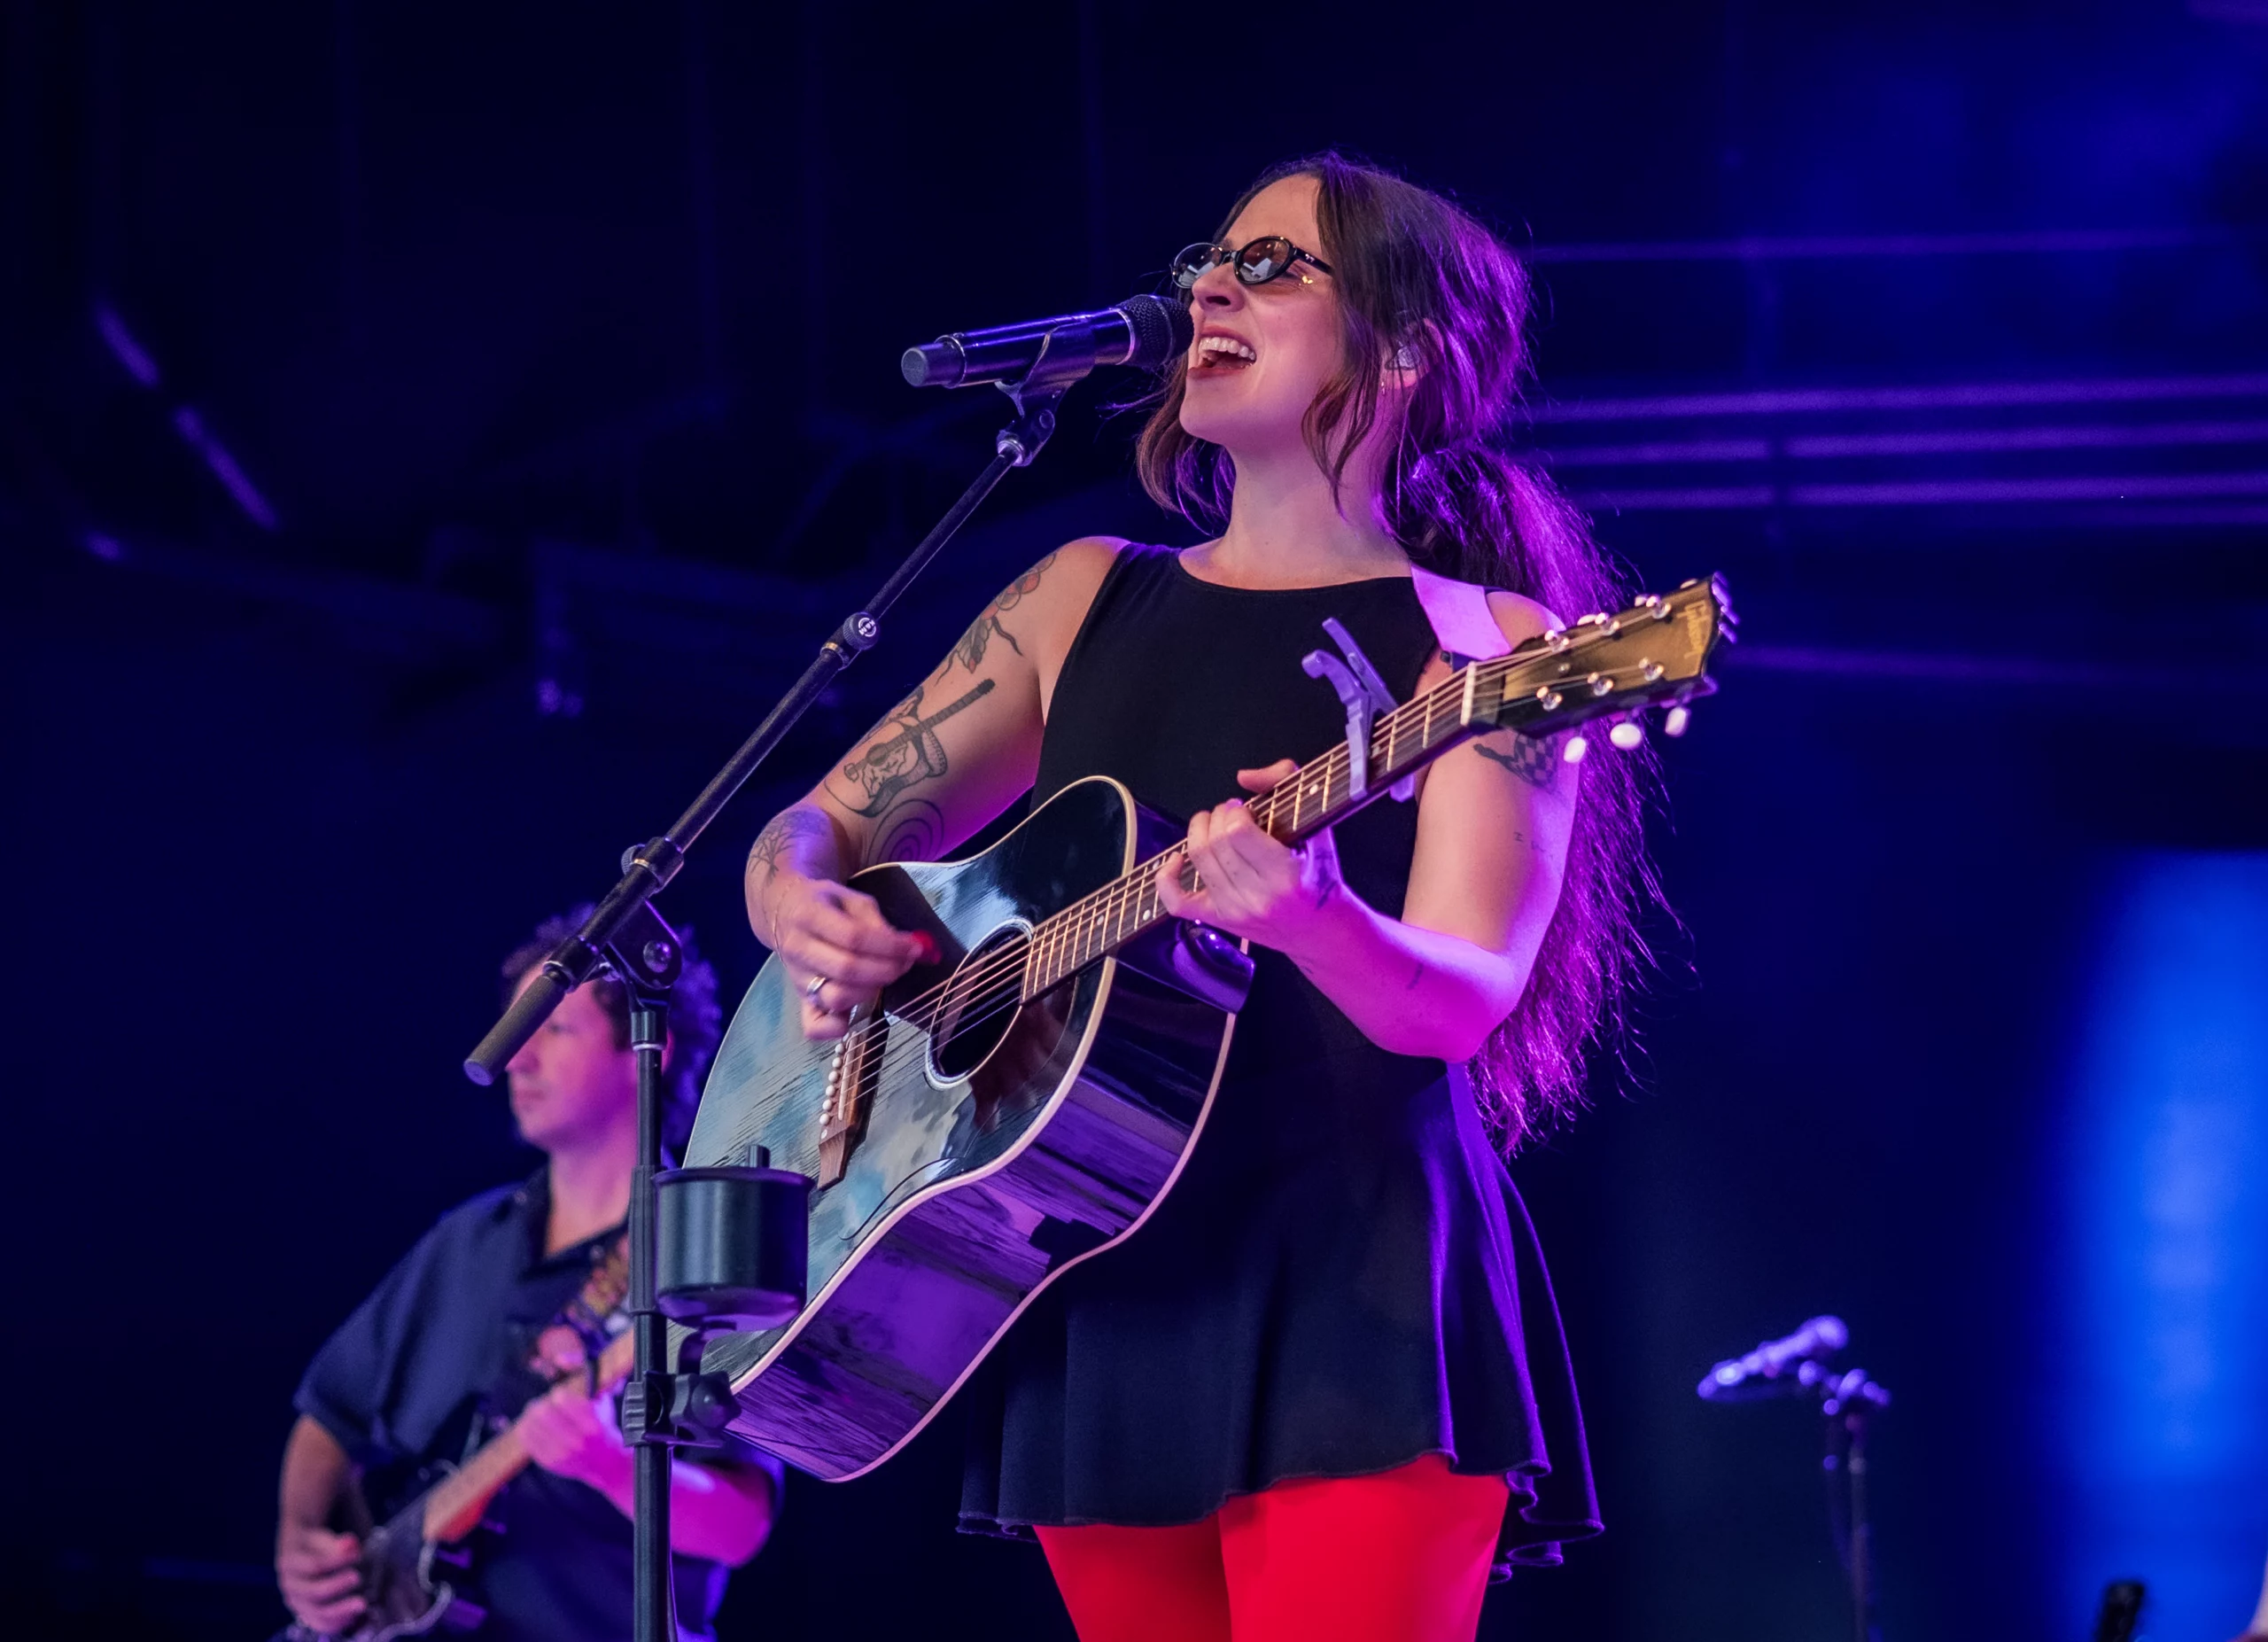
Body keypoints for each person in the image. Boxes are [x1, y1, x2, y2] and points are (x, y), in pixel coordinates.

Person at [743, 152, 1657, 1642]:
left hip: (1352, 1272)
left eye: (1275, 266)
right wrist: (799, 902)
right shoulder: (1078, 592)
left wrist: (1315, 920)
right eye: (1207, 262)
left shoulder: (1489, 643)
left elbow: (1463, 998)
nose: (1210, 288)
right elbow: (817, 825)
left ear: (1408, 351)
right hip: (1094, 1263)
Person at [274, 912, 780, 1642]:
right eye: (516, 1029)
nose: (517, 1058)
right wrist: (299, 1543)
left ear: (648, 1047)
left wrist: (609, 1465)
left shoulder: (703, 1253)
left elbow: (739, 1526)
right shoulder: (466, 1240)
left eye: (553, 1029)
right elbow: (329, 1414)